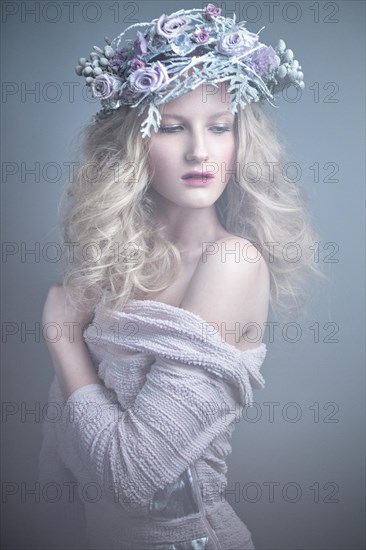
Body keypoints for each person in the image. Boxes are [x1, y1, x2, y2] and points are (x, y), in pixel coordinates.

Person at [38, 4, 324, 550]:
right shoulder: (113, 265)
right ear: (133, 143)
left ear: (242, 143)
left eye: (219, 128)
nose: (200, 151)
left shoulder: (232, 263)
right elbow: (63, 461)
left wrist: (63, 337)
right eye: (171, 127)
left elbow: (131, 477)